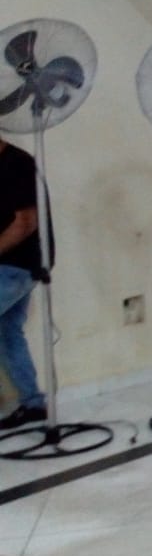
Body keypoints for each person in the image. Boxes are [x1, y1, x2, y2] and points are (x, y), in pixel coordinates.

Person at [0, 136, 48, 429]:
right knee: (8, 333)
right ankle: (33, 404)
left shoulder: (17, 163)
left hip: (16, 266)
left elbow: (26, 222)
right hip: (13, 266)